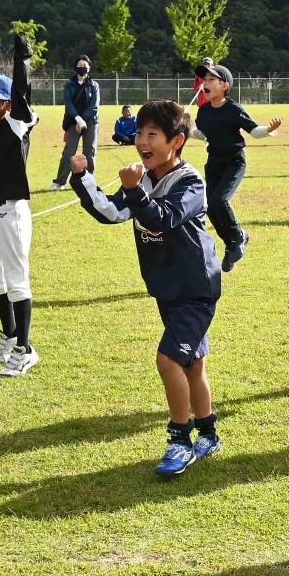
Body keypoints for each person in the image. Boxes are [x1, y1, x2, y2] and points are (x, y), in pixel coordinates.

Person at [69, 99, 222, 476]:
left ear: (177, 141)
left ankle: (180, 441)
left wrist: (135, 190)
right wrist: (83, 177)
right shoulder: (145, 179)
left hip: (195, 289)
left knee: (169, 360)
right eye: (139, 133)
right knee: (192, 364)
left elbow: (163, 218)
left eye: (152, 134)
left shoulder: (190, 183)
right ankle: (208, 434)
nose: (141, 141)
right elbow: (111, 212)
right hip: (167, 287)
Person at [0, 28, 40, 376]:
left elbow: (20, 91)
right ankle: (9, 334)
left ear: (6, 104)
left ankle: (24, 349)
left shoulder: (16, 124)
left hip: (12, 210)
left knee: (17, 280)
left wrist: (22, 59)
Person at [192, 63, 281, 273]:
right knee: (210, 207)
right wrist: (185, 130)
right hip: (213, 162)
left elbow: (254, 131)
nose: (205, 83)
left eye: (211, 80)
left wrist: (269, 129)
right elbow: (204, 135)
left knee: (219, 200)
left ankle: (238, 237)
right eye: (204, 80)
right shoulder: (203, 112)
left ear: (224, 86)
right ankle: (234, 242)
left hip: (234, 161)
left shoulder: (234, 109)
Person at [50, 55, 100, 188]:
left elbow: (94, 106)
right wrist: (78, 119)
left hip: (91, 122)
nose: (83, 68)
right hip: (73, 121)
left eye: (85, 65)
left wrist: (83, 120)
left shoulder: (94, 85)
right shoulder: (69, 85)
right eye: (80, 65)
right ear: (75, 68)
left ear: (89, 68)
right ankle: (60, 181)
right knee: (69, 152)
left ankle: (87, 181)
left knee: (90, 152)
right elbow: (69, 105)